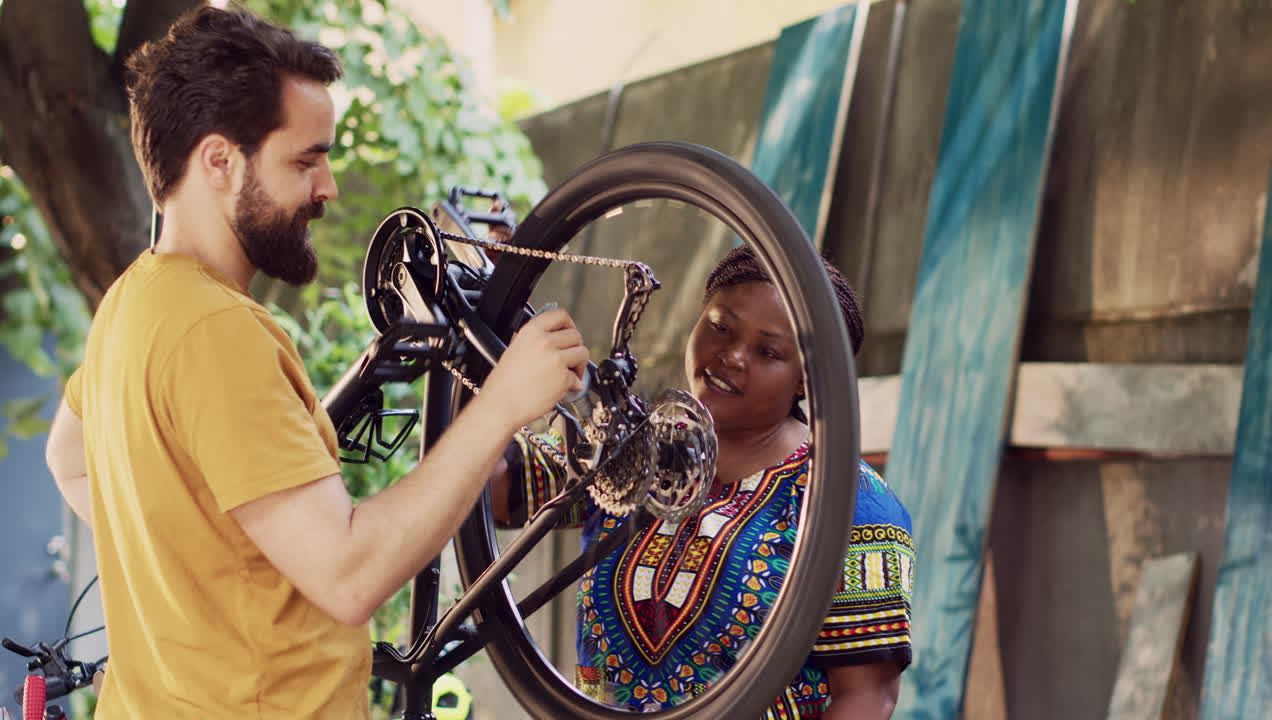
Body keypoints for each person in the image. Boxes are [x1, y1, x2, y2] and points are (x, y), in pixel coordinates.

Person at [42, 7, 586, 718]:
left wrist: (193, 568)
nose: (328, 187)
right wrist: (503, 404)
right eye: (305, 161)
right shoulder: (216, 331)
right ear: (219, 161)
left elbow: (68, 458)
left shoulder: (129, 304)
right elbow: (349, 574)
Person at [493, 245, 914, 719]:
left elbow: (867, 698)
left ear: (805, 380)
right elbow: (496, 491)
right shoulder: (630, 448)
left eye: (768, 351)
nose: (732, 356)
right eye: (720, 326)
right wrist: (488, 344)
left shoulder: (853, 504)